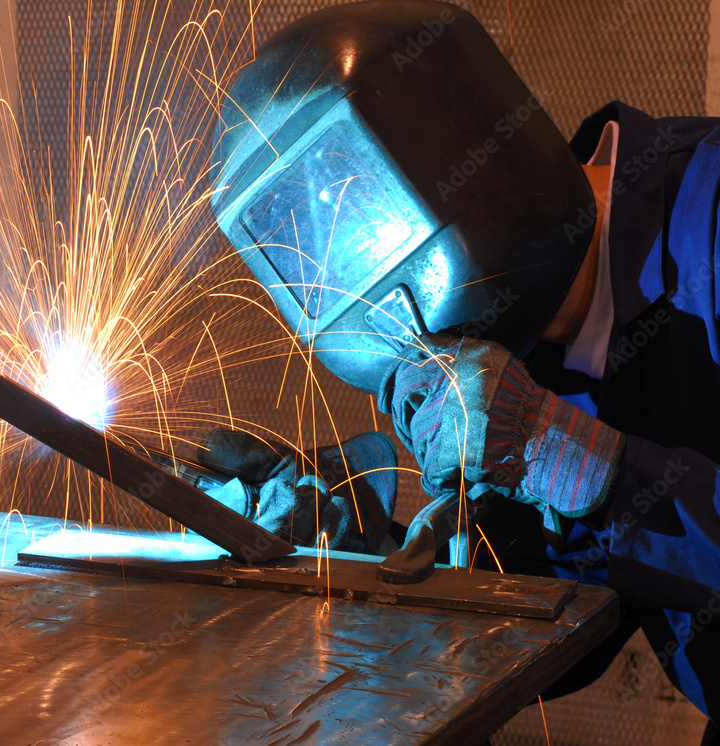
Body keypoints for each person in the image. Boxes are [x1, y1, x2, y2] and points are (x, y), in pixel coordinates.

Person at [206, 2, 720, 738]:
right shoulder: (519, 352)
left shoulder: (712, 224)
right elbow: (575, 639)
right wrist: (374, 555)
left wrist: (583, 466)